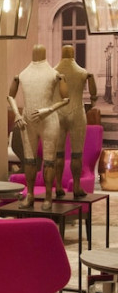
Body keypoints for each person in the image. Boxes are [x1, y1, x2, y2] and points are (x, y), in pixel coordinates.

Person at [7, 44, 70, 210]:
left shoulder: (54, 74)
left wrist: (48, 110)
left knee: (49, 161)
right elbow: (10, 96)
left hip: (48, 120)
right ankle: (30, 195)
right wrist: (17, 114)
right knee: (29, 160)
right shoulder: (22, 75)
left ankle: (48, 196)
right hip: (27, 121)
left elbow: (66, 99)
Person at [54, 44, 97, 198]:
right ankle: (77, 186)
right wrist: (92, 102)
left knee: (58, 153)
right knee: (77, 153)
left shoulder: (54, 72)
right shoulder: (82, 72)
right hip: (77, 112)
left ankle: (59, 186)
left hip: (58, 113)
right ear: (73, 54)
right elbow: (93, 93)